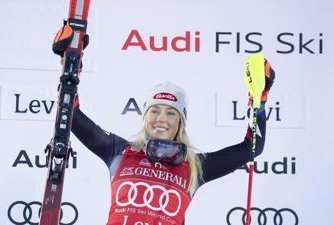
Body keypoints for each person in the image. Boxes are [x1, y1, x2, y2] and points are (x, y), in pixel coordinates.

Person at [52, 25, 275, 225]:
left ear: (180, 122)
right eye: (154, 110)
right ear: (145, 116)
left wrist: (259, 101)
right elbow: (72, 116)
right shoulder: (119, 150)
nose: (161, 119)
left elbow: (251, 148)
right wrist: (69, 66)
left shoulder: (195, 167)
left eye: (171, 113)